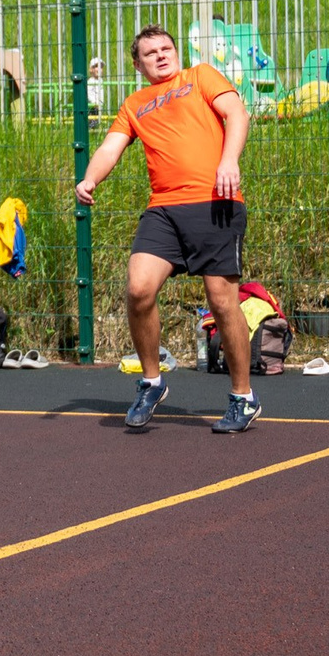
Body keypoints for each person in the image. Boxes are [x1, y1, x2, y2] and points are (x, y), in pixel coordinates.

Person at [76, 25, 261, 434]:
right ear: (138, 65)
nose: (161, 55)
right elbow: (110, 147)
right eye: (150, 52)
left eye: (166, 48)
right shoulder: (134, 104)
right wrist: (90, 179)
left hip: (215, 202)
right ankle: (152, 381)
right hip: (163, 210)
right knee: (139, 289)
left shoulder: (201, 77)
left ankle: (242, 398)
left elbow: (237, 113)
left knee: (222, 301)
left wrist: (229, 160)